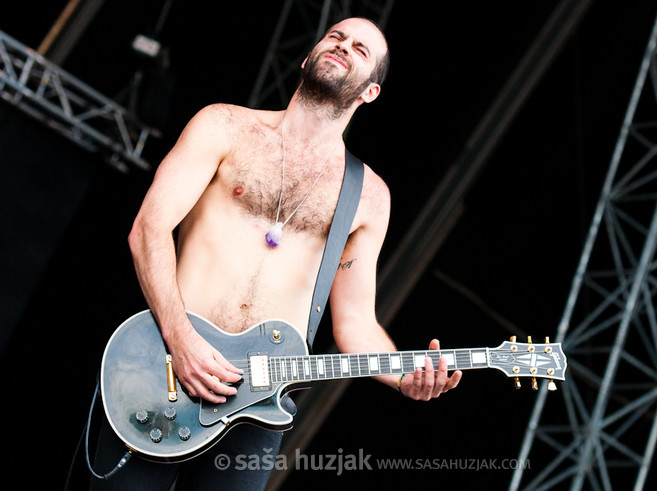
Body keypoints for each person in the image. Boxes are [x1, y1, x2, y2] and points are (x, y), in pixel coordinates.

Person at [90, 17, 462, 490]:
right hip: (166, 370)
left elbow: (355, 325)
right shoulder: (223, 125)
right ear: (307, 57)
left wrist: (404, 377)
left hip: (259, 408)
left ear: (369, 92)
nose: (343, 46)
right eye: (335, 36)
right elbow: (149, 230)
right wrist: (181, 339)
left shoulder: (369, 197)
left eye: (361, 50)